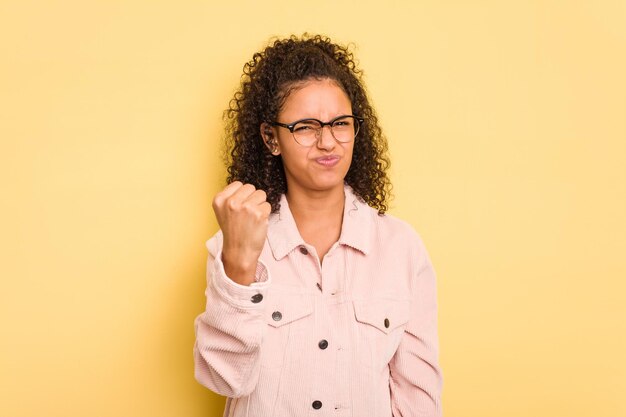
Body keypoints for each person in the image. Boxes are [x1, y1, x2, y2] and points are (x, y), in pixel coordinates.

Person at [193, 34, 443, 417]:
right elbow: (226, 380)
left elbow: (418, 401)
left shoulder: (401, 247)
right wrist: (240, 265)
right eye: (306, 127)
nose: (328, 142)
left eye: (340, 123)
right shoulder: (232, 244)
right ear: (270, 137)